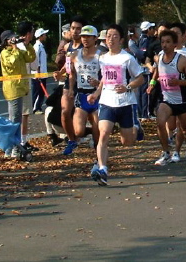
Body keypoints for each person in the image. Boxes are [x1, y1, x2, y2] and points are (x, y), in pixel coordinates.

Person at [88, 24, 145, 185]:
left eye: (114, 36)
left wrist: (127, 87)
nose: (110, 39)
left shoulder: (127, 58)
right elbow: (105, 80)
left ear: (121, 40)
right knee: (103, 134)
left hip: (126, 103)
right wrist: (96, 93)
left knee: (126, 142)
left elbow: (140, 78)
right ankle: (103, 169)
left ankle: (136, 127)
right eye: (108, 36)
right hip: (107, 102)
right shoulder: (103, 58)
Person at [149, 30, 186, 170]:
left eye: (168, 42)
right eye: (162, 42)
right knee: (160, 122)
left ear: (175, 44)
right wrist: (152, 84)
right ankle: (166, 152)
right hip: (166, 99)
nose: (164, 45)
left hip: (181, 100)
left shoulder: (182, 60)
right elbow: (157, 72)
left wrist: (179, 83)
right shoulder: (160, 57)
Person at [0, 28, 37, 157]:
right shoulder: (5, 53)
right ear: (6, 41)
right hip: (12, 89)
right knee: (14, 120)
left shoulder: (17, 50)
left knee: (17, 119)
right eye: (11, 38)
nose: (14, 39)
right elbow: (13, 63)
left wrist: (27, 44)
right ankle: (12, 148)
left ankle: (13, 147)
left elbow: (30, 58)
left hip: (21, 88)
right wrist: (15, 47)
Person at [55, 15, 87, 155]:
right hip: (69, 83)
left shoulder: (87, 47)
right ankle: (71, 140)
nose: (75, 31)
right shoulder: (68, 46)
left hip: (84, 84)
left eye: (78, 29)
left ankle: (96, 138)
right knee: (64, 112)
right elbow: (68, 65)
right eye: (73, 28)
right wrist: (60, 73)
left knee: (88, 117)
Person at [69, 25, 102, 155]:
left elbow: (107, 77)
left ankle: (99, 157)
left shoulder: (102, 56)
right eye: (83, 36)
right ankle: (87, 136)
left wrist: (98, 83)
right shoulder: (74, 55)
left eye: (88, 37)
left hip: (96, 95)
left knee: (97, 133)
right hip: (81, 94)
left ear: (95, 38)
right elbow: (71, 73)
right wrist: (71, 88)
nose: (85, 39)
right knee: (78, 131)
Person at [31, 27, 49, 113]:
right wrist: (38, 72)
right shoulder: (37, 46)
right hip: (39, 74)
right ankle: (35, 108)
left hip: (43, 73)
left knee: (41, 92)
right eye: (44, 34)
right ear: (40, 36)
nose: (46, 36)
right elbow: (35, 59)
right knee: (38, 92)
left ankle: (39, 107)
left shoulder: (41, 46)